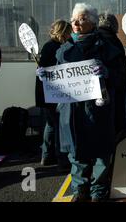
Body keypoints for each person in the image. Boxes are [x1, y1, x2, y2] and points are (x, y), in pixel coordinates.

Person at [54, 3, 121, 202]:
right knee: (76, 152)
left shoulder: (107, 48)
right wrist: (46, 78)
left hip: (99, 109)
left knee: (101, 152)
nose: (75, 22)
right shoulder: (63, 50)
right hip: (72, 110)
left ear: (92, 22)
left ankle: (98, 191)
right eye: (74, 18)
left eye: (82, 19)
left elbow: (121, 77)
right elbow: (57, 79)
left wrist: (107, 72)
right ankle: (80, 190)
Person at [35, 20, 72, 169]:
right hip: (53, 93)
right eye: (69, 32)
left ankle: (46, 155)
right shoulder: (56, 47)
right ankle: (61, 159)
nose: (71, 35)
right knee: (58, 125)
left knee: (50, 125)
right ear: (63, 33)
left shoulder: (48, 46)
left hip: (45, 92)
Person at [98, 12, 126, 135]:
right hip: (115, 88)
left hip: (99, 90)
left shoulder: (95, 38)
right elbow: (123, 66)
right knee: (117, 122)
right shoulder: (113, 41)